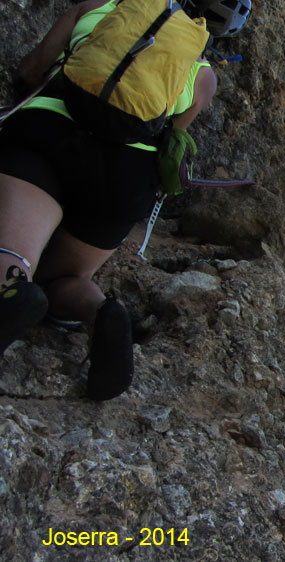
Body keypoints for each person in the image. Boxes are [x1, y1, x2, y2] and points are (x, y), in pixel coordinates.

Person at [0, 0, 250, 399]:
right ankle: (99, 312)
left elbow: (30, 71)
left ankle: (13, 286)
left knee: (14, 254)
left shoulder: (100, 7)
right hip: (123, 174)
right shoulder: (203, 74)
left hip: (49, 132)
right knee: (66, 277)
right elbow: (172, 142)